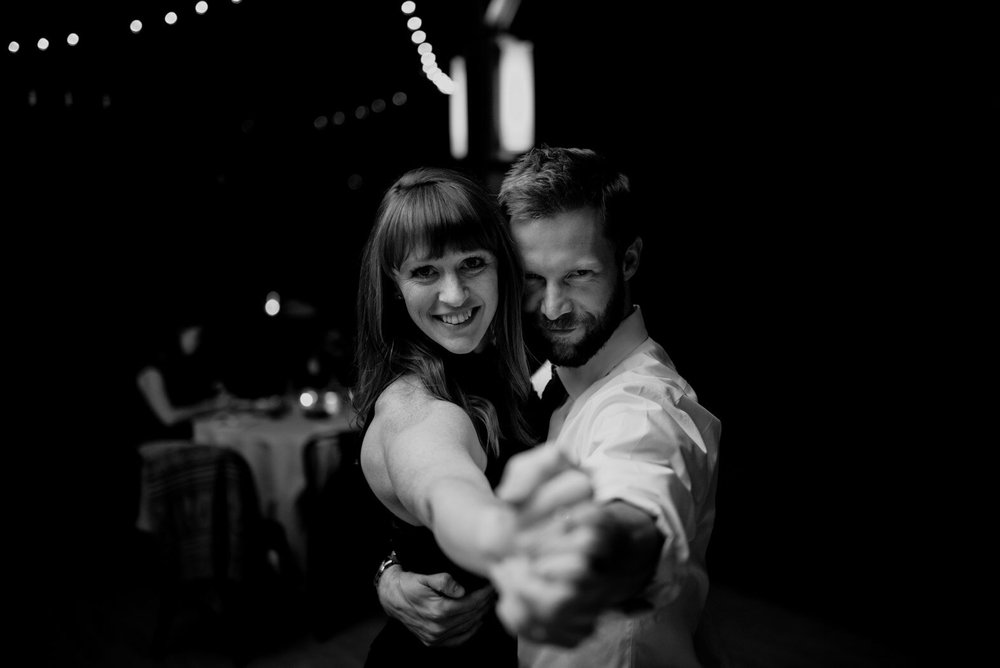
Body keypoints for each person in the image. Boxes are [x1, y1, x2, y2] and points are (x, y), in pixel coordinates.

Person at [376, 146, 722, 668]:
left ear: (628, 260)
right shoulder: (533, 371)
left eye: (579, 274)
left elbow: (640, 483)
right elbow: (426, 476)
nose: (554, 307)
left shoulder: (643, 408)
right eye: (533, 279)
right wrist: (390, 571)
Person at [353, 166, 591, 668]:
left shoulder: (511, 353)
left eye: (473, 263)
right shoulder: (413, 405)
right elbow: (437, 475)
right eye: (425, 272)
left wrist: (386, 569)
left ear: (502, 265)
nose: (455, 295)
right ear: (394, 284)